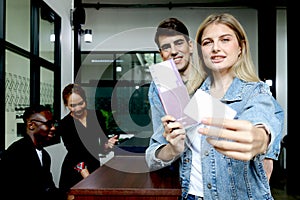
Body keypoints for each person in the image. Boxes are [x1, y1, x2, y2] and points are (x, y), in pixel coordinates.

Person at [145, 14, 284, 200]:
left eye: (179, 43)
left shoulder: (243, 86)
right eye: (165, 47)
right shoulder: (165, 83)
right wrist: (173, 148)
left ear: (191, 46)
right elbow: (159, 144)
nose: (173, 51)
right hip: (187, 185)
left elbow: (268, 113)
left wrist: (265, 147)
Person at [58, 83, 118, 194]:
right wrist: (88, 177)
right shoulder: (65, 124)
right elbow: (74, 154)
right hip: (75, 169)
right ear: (66, 105)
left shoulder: (97, 116)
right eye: (72, 105)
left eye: (81, 103)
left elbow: (100, 147)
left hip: (93, 164)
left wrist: (108, 145)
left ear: (85, 100)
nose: (78, 108)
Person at [0, 104, 66, 200]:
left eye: (53, 123)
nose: (53, 128)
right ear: (31, 125)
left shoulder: (45, 156)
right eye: (48, 124)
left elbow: (48, 188)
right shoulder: (16, 153)